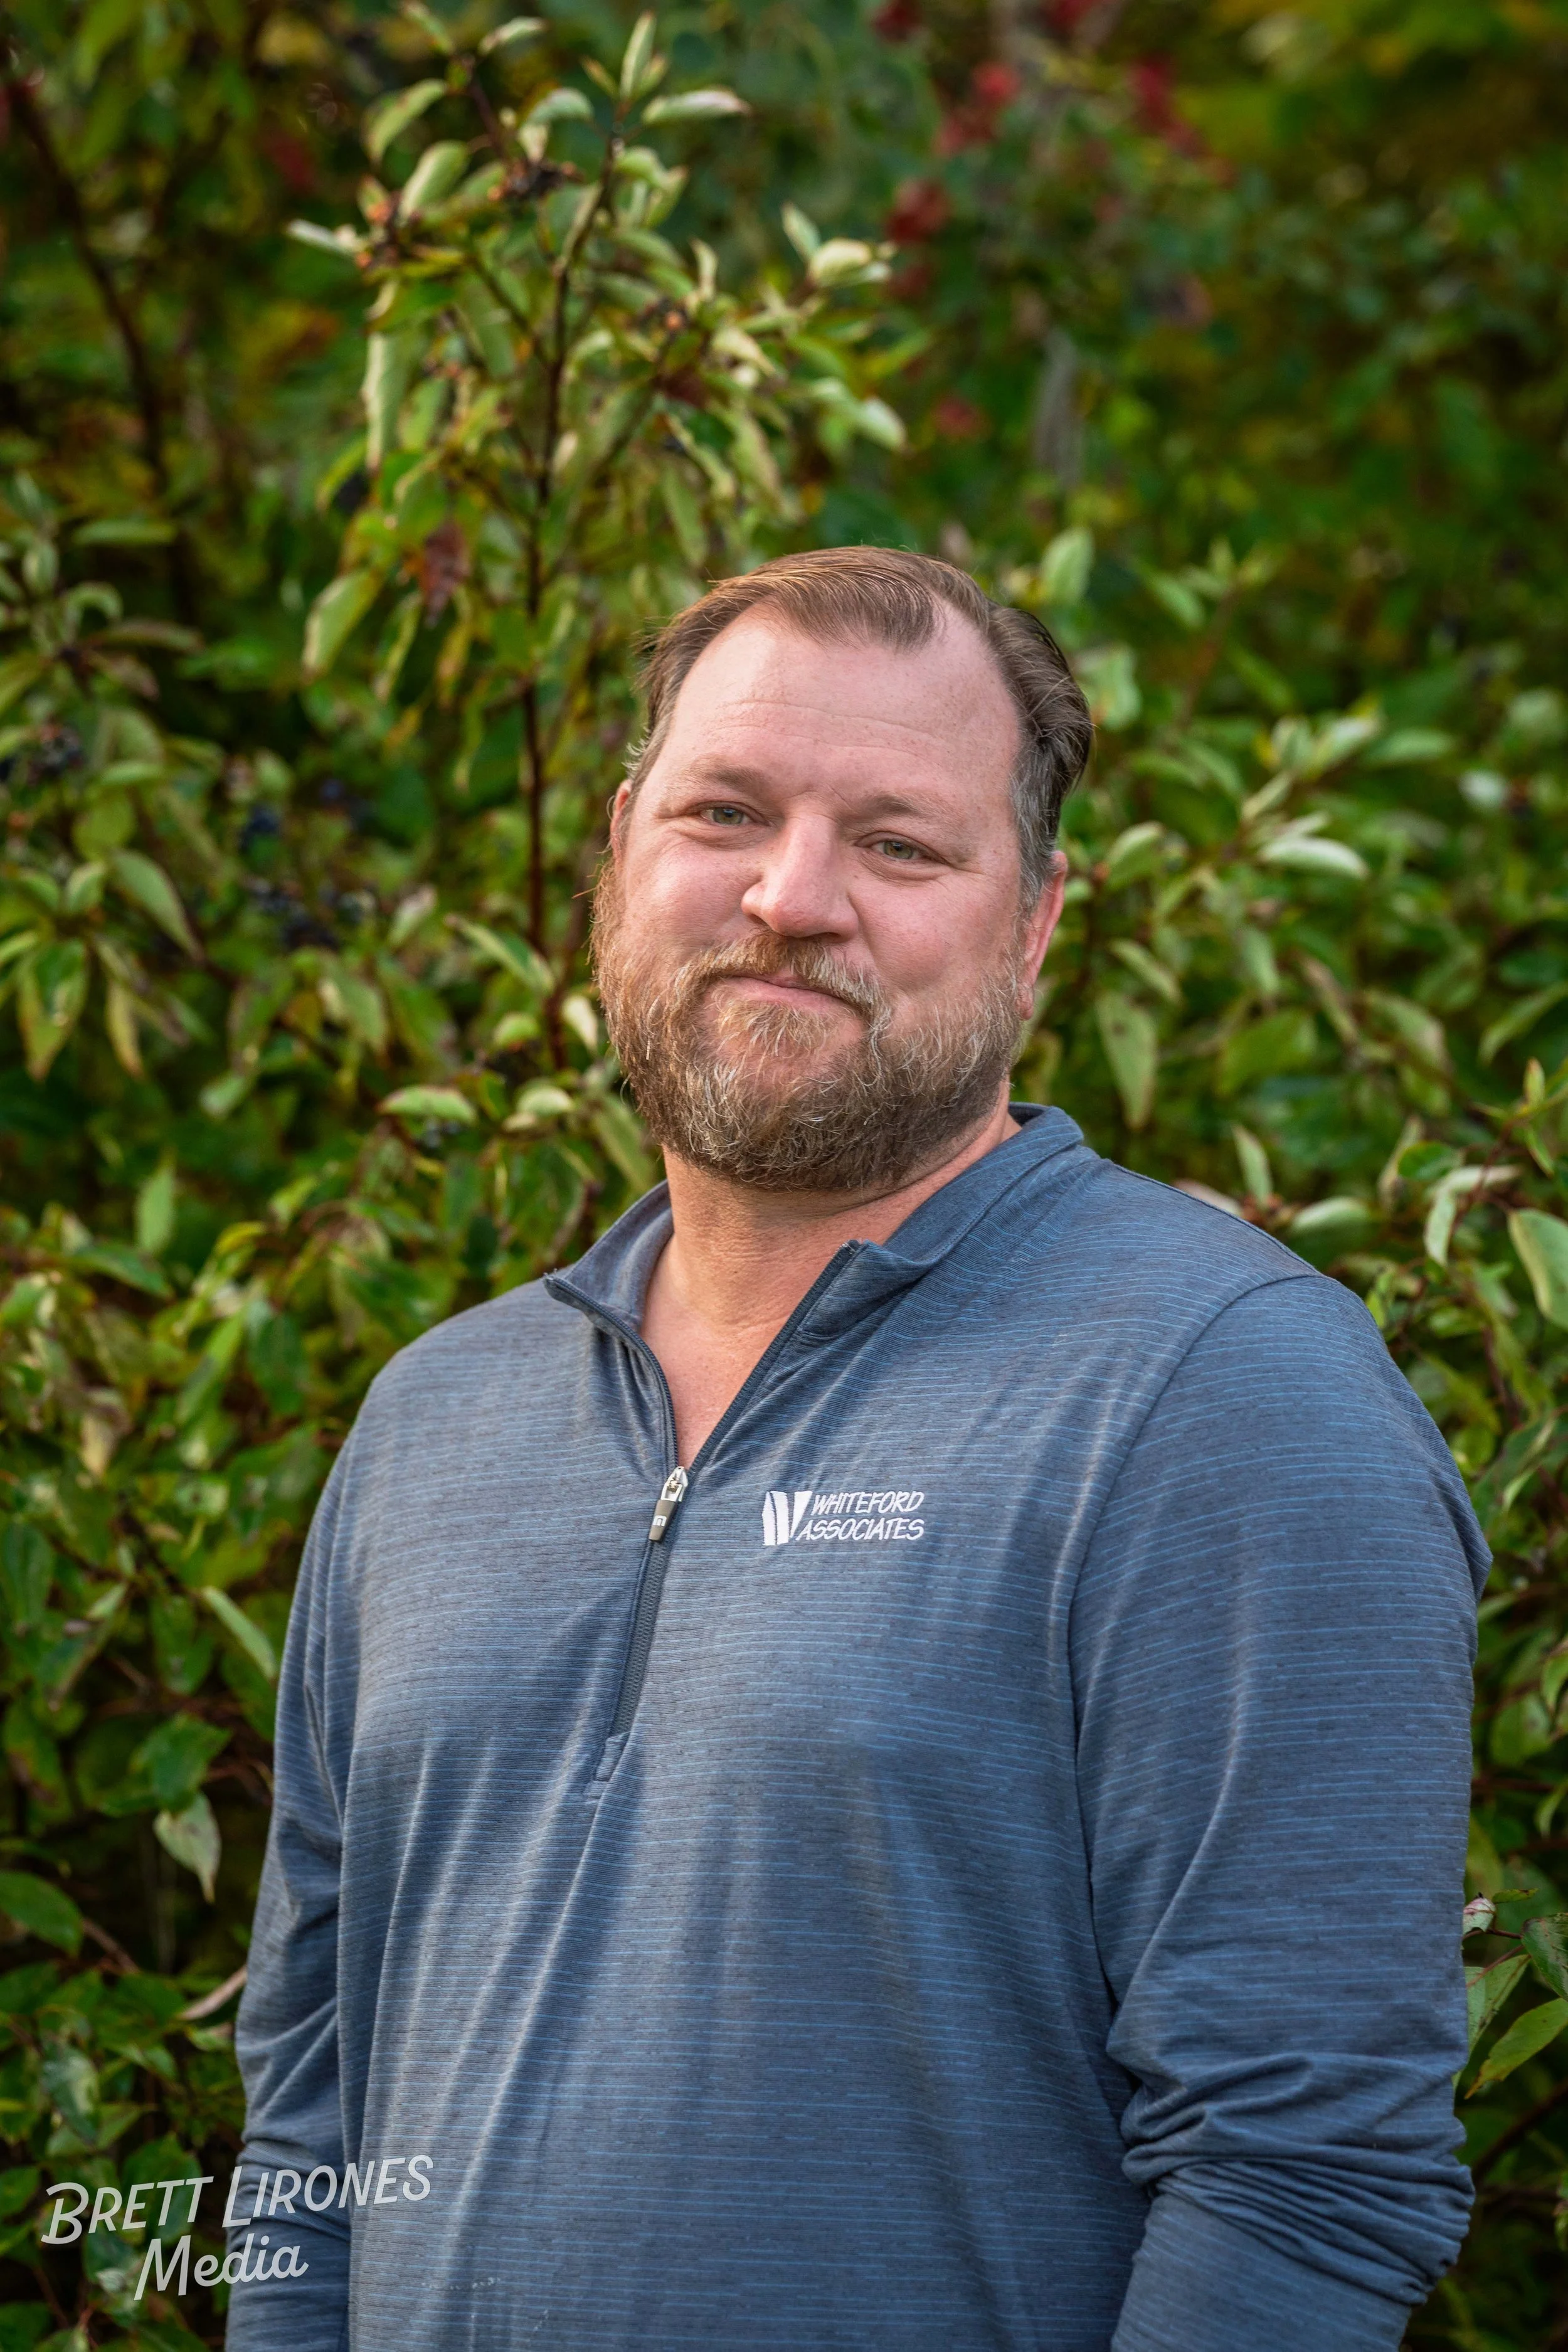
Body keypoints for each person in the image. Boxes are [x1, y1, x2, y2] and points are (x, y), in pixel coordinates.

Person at [225, 548, 1486, 2351]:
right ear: (619, 853)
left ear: (1038, 918)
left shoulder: (1221, 1395)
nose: (789, 894)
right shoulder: (441, 1416)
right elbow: (310, 2121)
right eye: (724, 810)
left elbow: (1302, 2179)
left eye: (897, 844)